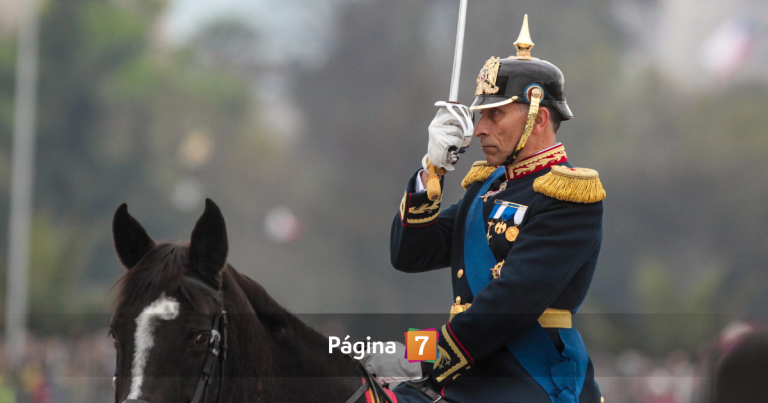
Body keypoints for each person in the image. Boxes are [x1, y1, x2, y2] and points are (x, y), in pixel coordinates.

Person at [389, 15, 606, 403]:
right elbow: (410, 254)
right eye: (479, 115)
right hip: (466, 373)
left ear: (538, 119)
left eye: (495, 114)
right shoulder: (487, 187)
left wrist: (417, 355)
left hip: (527, 380)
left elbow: (509, 303)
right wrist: (431, 170)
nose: (478, 130)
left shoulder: (568, 196)